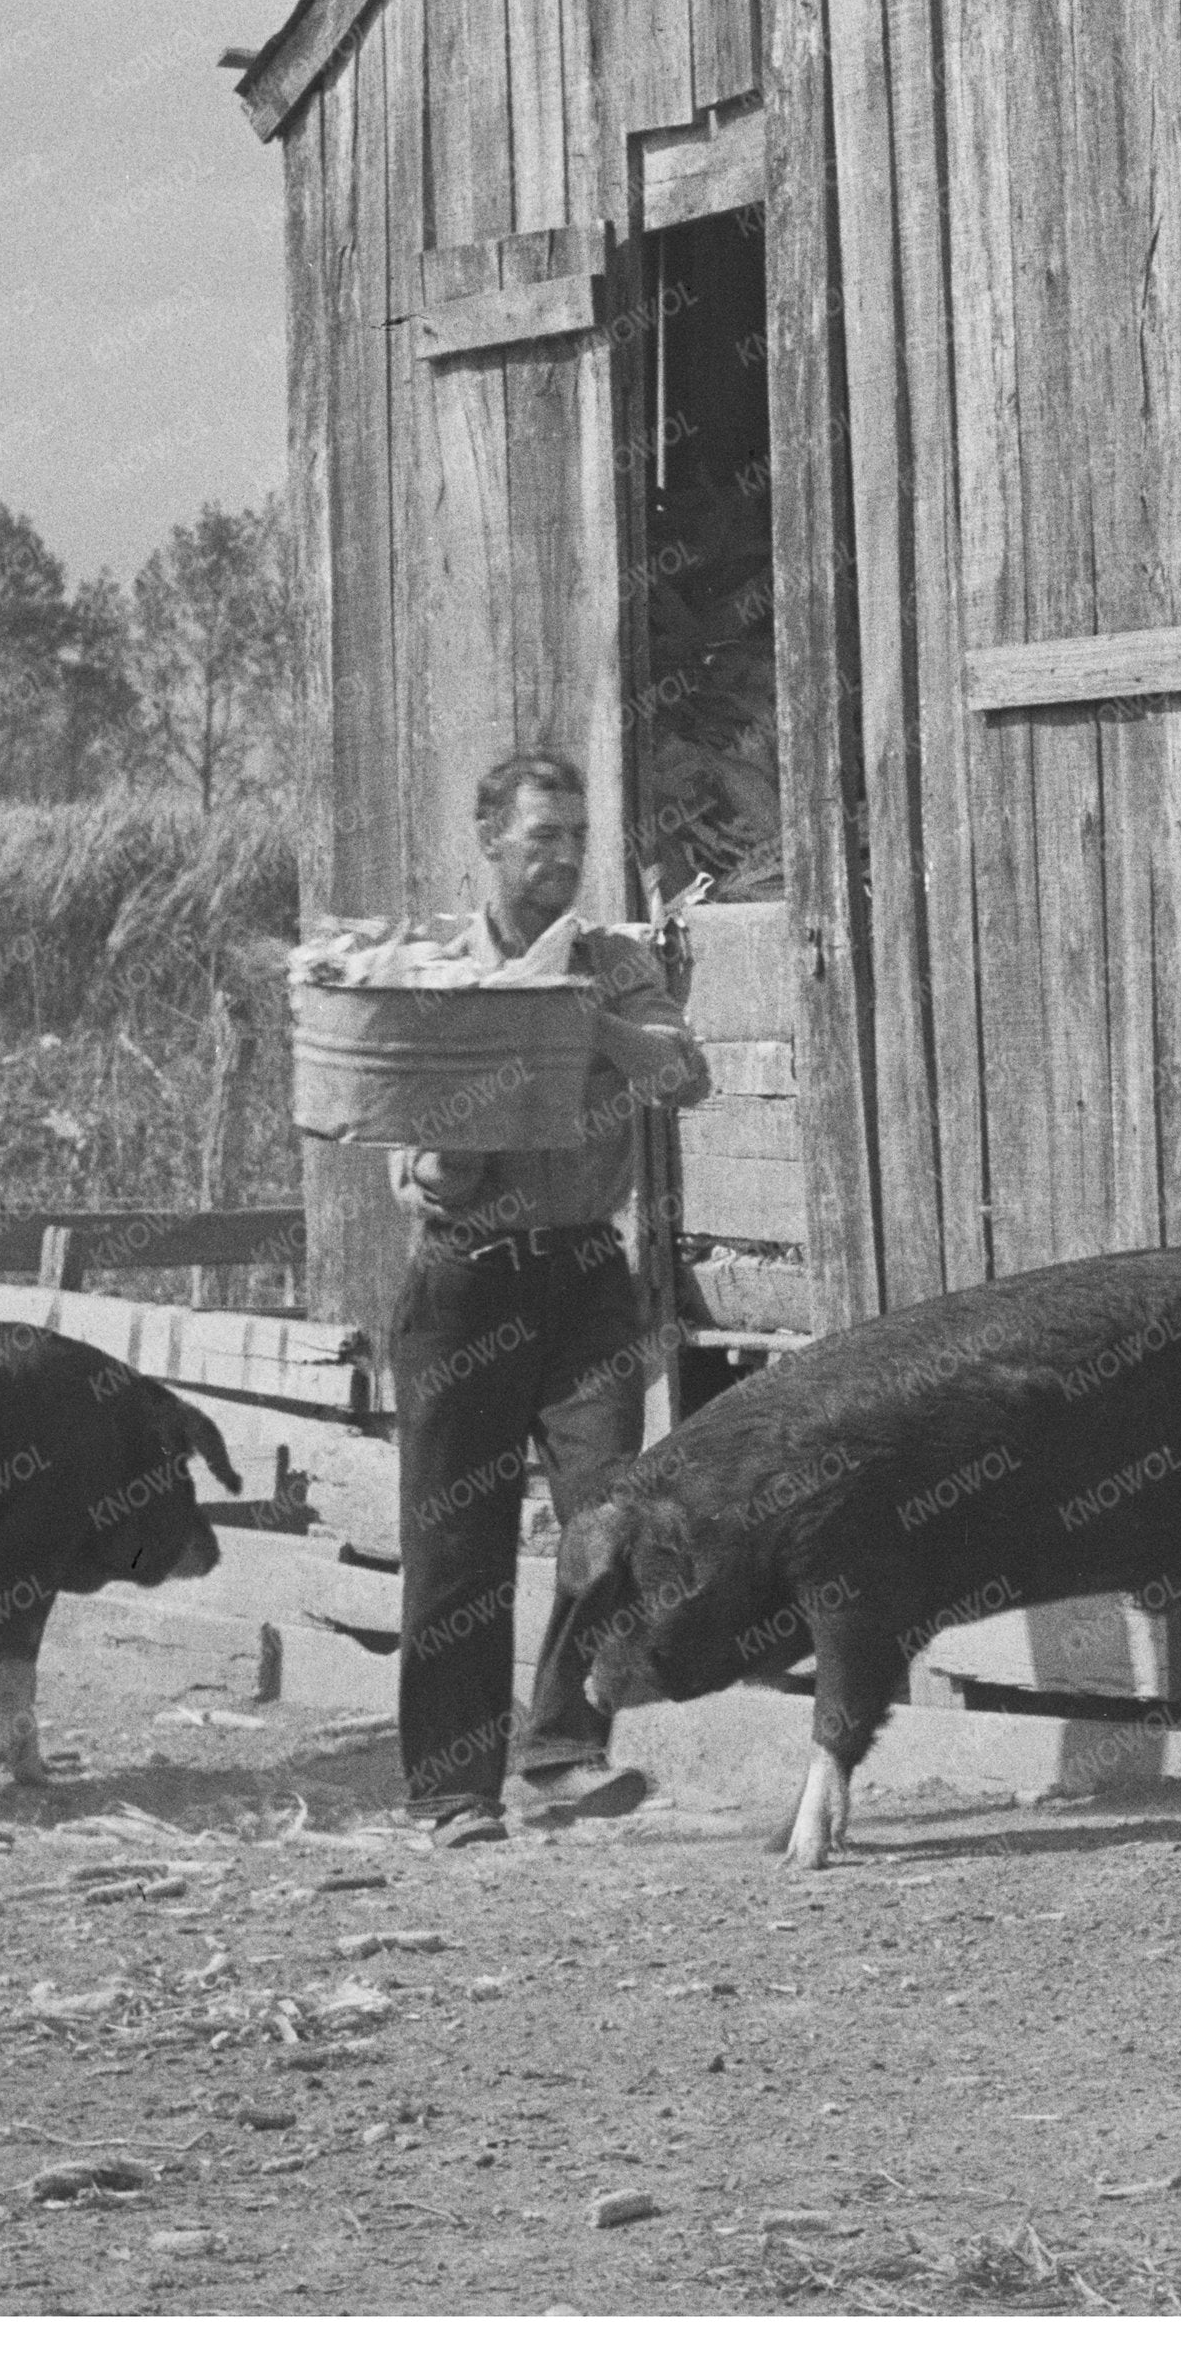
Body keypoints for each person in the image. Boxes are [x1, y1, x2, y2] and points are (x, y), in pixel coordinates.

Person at [386, 744, 709, 1845]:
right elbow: (416, 1166)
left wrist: (581, 1024)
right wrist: (452, 1146)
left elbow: (683, 1073)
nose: (564, 857)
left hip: (583, 1277)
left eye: (577, 836)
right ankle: (450, 1790)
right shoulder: (440, 972)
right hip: (464, 1281)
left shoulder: (615, 962)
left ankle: (564, 1747)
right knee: (456, 1545)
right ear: (489, 841)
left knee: (608, 1515)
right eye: (542, 837)